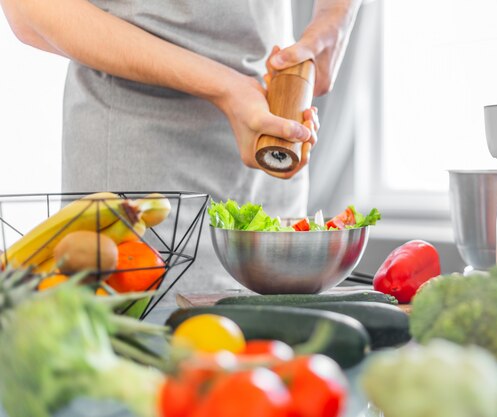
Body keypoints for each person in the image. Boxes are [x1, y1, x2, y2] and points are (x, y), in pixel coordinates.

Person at [0, 0, 362, 297]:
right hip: (138, 150)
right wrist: (225, 88)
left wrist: (334, 20)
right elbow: (30, 11)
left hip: (267, 125)